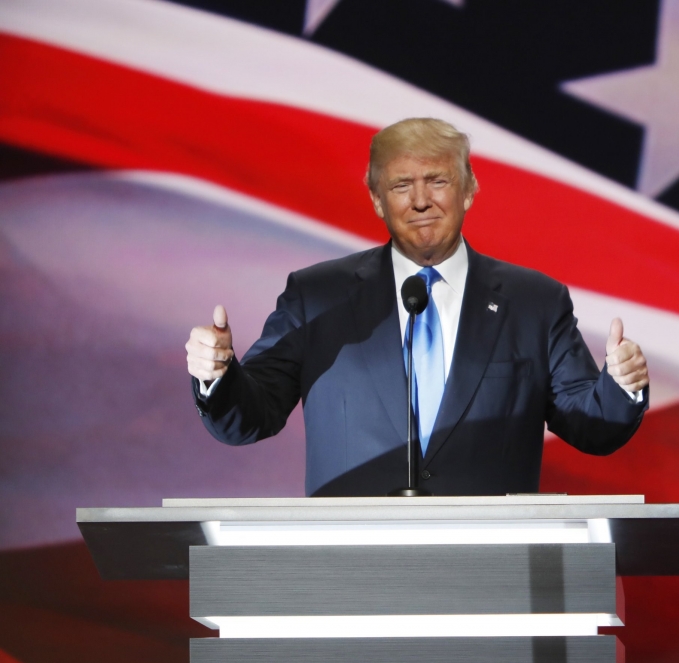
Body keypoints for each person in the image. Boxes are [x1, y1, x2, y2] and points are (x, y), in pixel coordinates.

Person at [185, 118, 649, 496]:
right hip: (350, 571)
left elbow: (591, 423)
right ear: (376, 199)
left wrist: (621, 386)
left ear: (468, 189)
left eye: (438, 181)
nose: (421, 200)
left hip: (492, 575)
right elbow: (251, 415)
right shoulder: (317, 296)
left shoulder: (535, 303)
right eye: (402, 185)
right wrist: (218, 375)